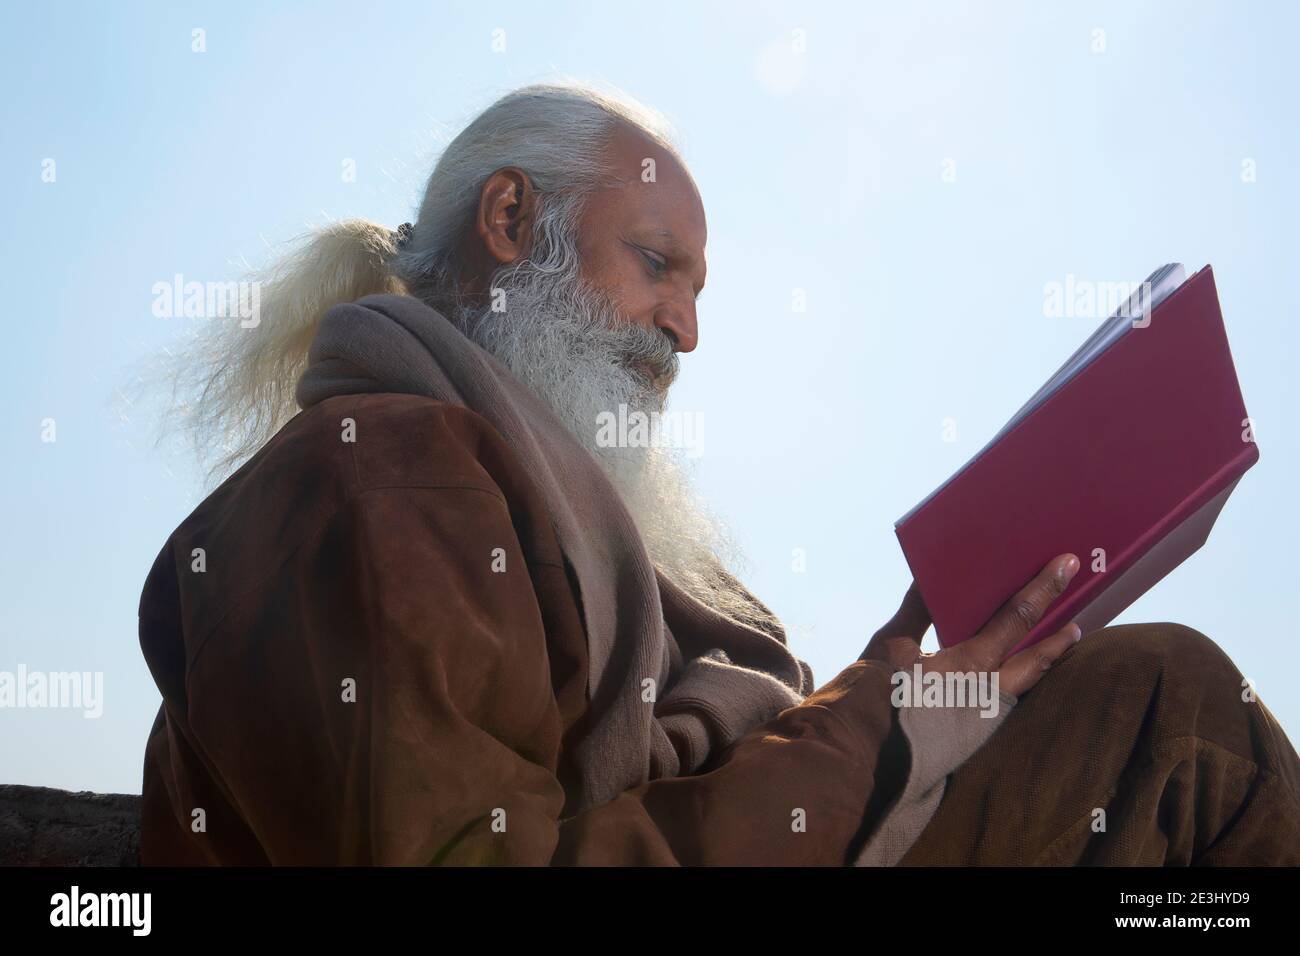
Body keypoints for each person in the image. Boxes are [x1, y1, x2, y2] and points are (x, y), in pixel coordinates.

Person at [137, 83, 1300, 866]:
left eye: (698, 290)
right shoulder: (377, 479)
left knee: (1161, 706)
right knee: (1178, 717)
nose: (686, 332)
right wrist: (883, 730)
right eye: (657, 266)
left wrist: (919, 681)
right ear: (509, 219)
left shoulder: (540, 500)